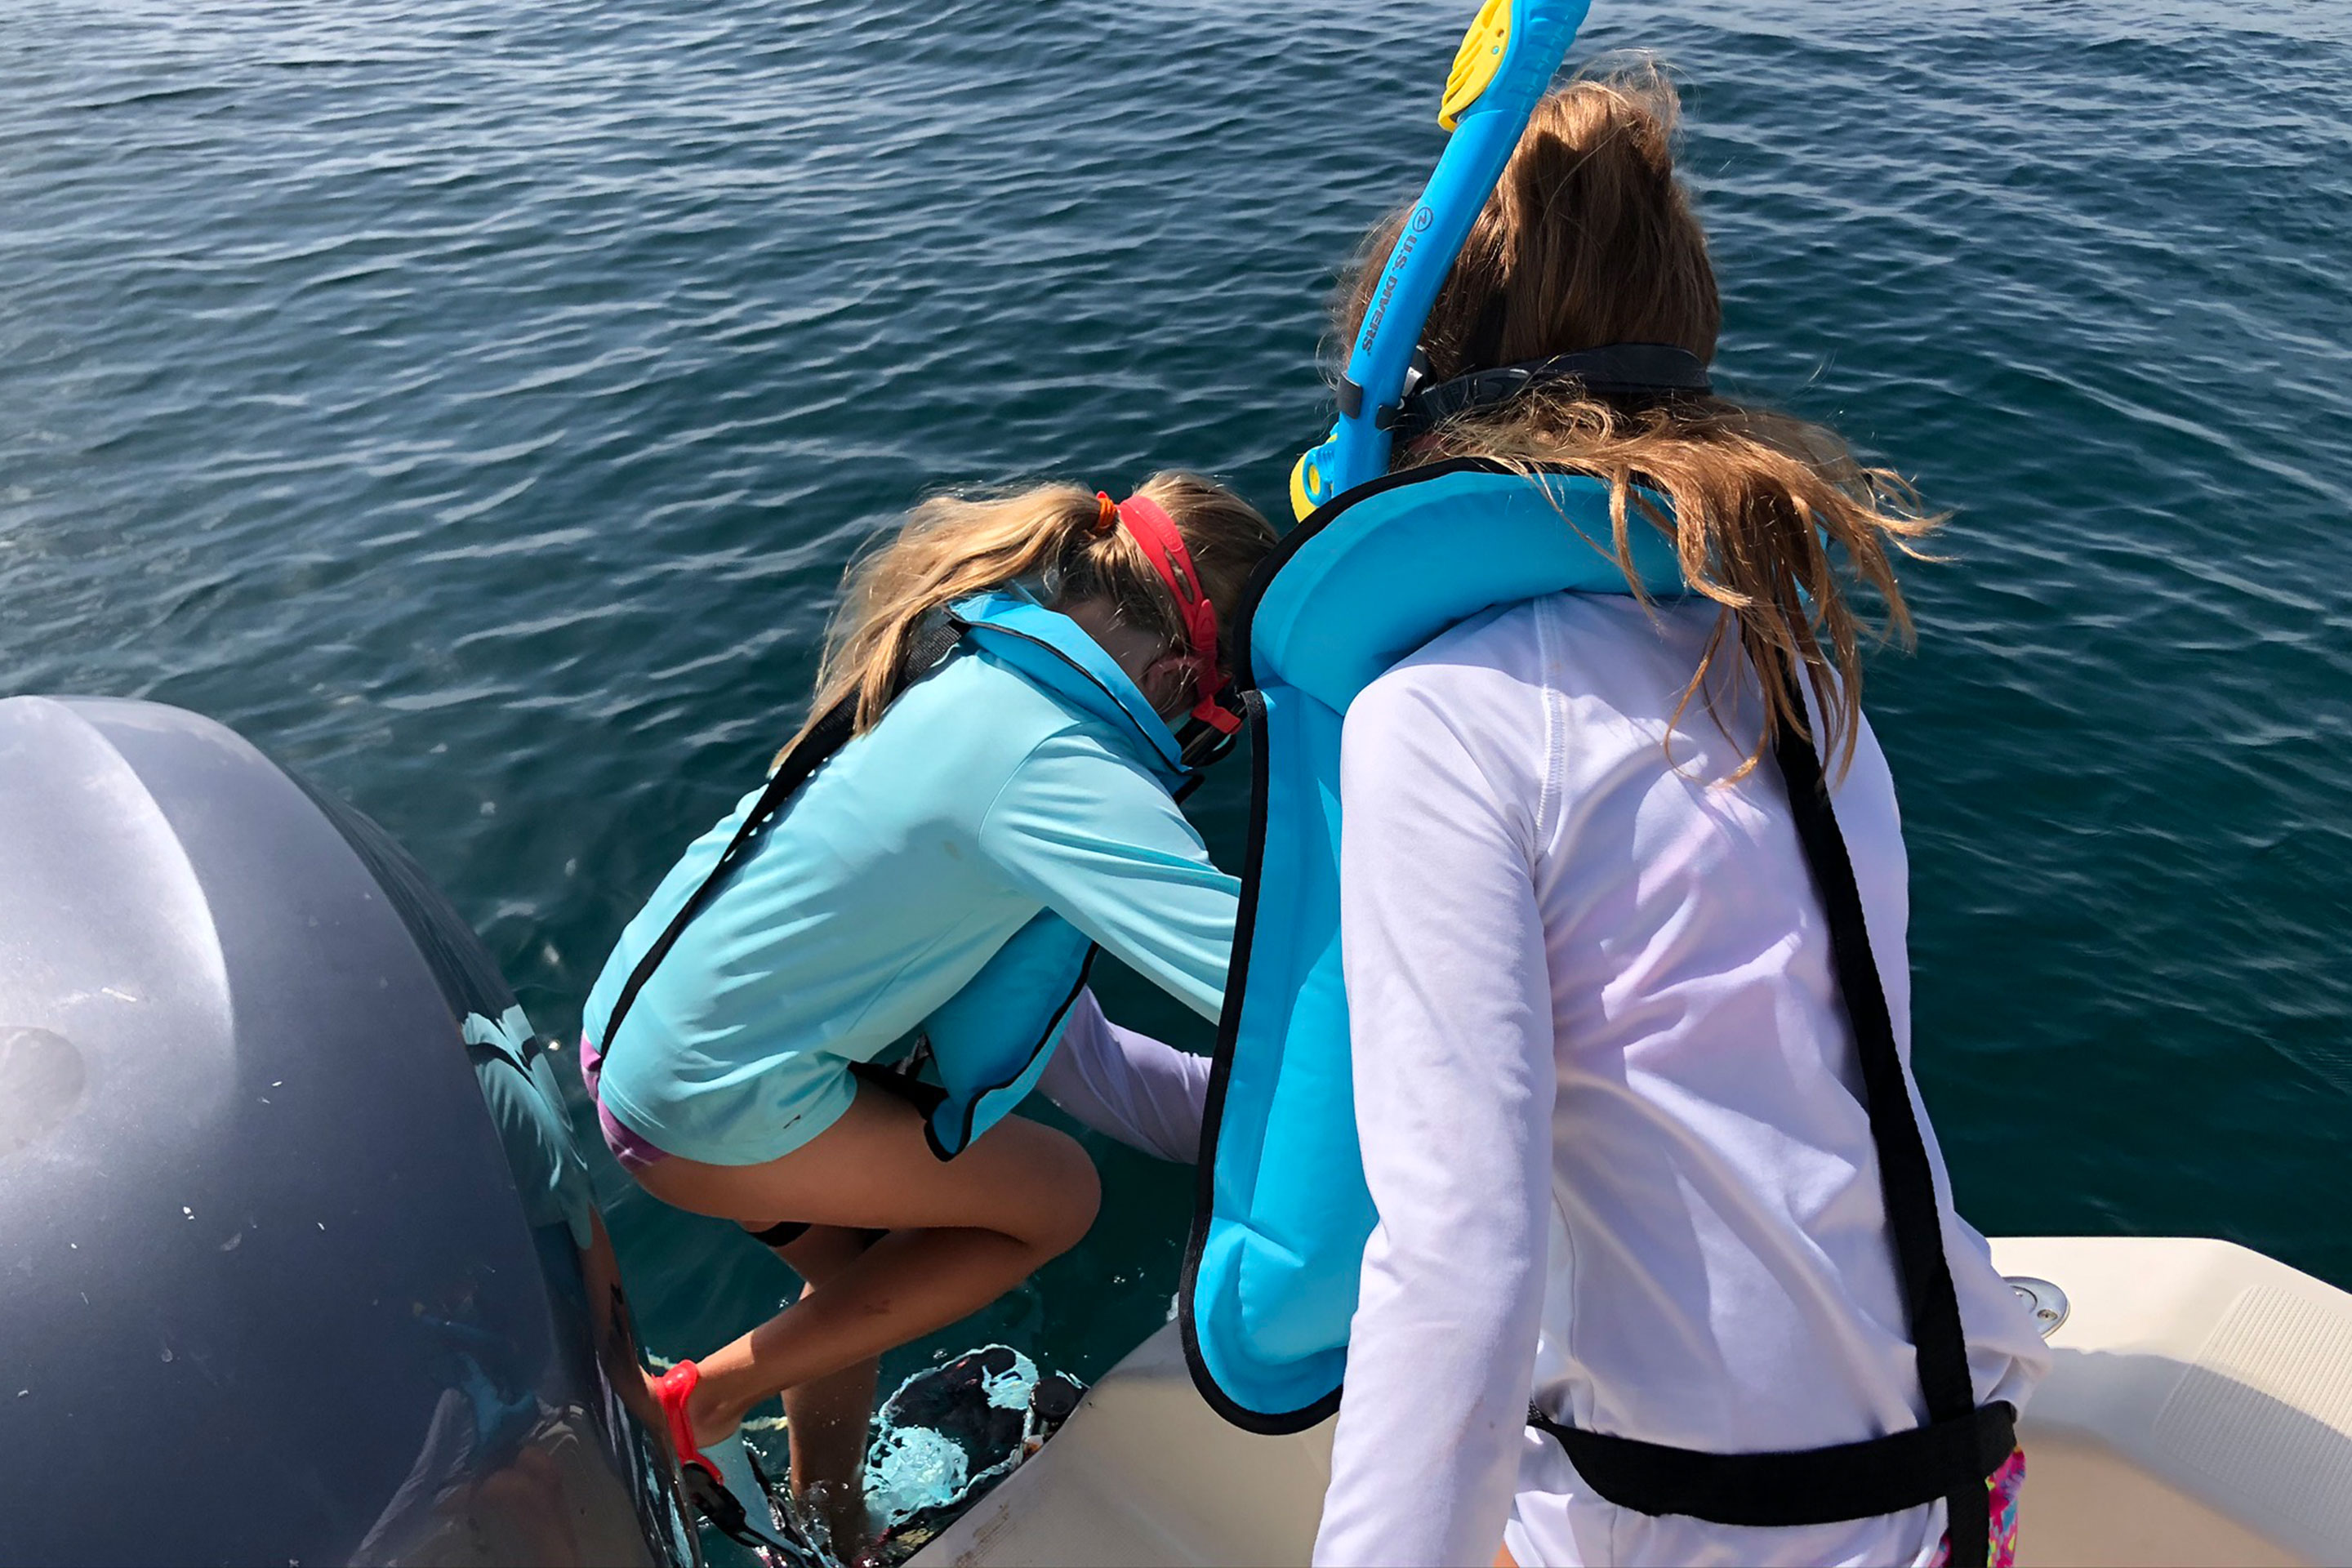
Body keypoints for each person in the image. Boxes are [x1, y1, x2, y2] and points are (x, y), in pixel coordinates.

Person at [1309, 71, 2050, 1567]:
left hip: (1698, 1529)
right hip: (1953, 1480)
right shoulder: (1792, 682)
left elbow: (1461, 1261)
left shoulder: (1440, 719)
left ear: (1414, 400)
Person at [577, 474, 1268, 1555]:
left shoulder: (972, 673)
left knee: (857, 1285)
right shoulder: (1059, 765)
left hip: (640, 1043)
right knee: (1058, 1197)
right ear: (1183, 676)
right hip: (716, 1102)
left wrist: (1218, 1128)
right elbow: (1274, 982)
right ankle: (696, 1406)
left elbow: (1077, 1053)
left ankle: (829, 1521)